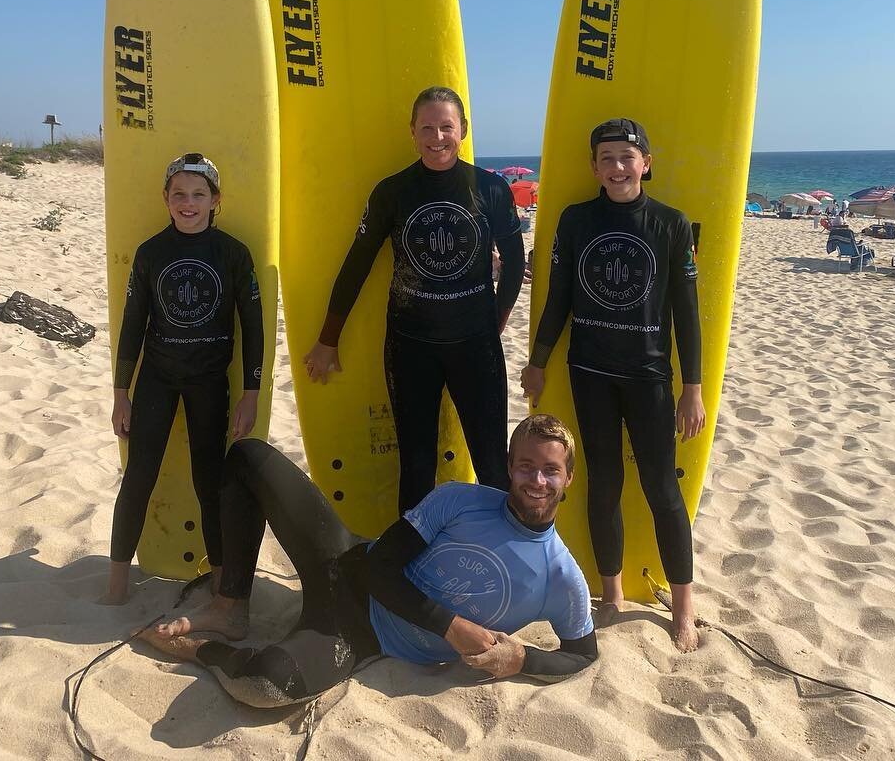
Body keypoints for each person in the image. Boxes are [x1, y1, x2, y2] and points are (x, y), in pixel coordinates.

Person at [139, 415, 599, 706]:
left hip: (358, 633)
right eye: (525, 466)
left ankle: (201, 650)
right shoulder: (460, 501)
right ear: (509, 465)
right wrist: (452, 627)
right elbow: (378, 568)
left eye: (550, 470)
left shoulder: (562, 578)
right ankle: (229, 606)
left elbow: (582, 656)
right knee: (248, 456)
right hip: (346, 560)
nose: (536, 480)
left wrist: (522, 659)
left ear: (569, 478)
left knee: (265, 686)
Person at [519, 118, 704, 652]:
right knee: (602, 485)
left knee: (662, 491)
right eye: (606, 158)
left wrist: (692, 388)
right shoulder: (576, 220)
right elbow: (559, 300)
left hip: (648, 377)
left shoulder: (671, 225)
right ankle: (612, 596)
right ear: (594, 167)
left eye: (627, 157)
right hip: (591, 373)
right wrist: (538, 360)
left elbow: (687, 315)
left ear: (645, 163)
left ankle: (685, 607)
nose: (617, 167)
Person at [303, 86, 526, 512]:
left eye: (446, 126)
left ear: (463, 129)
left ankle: (502, 562)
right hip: (411, 346)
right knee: (417, 465)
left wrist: (497, 320)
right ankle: (414, 569)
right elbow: (358, 263)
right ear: (412, 131)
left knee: (493, 465)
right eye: (427, 127)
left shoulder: (491, 188)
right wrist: (328, 338)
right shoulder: (393, 191)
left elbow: (514, 261)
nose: (437, 136)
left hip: (475, 345)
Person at [102, 154, 264, 604]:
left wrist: (251, 394)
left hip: (210, 382)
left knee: (209, 481)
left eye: (198, 194)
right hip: (158, 378)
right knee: (139, 476)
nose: (188, 203)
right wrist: (121, 394)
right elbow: (132, 326)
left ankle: (218, 582)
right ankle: (116, 585)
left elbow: (254, 326)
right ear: (166, 199)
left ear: (215, 199)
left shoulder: (233, 253)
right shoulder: (151, 253)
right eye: (179, 194)